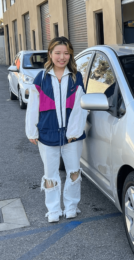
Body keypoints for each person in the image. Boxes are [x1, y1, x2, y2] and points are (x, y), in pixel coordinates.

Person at [26, 36, 88, 222]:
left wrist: (74, 132)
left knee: (74, 172)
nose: (62, 57)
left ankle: (71, 207)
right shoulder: (41, 78)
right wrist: (32, 131)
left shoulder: (76, 77)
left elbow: (80, 108)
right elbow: (33, 106)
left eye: (66, 53)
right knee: (50, 175)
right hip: (47, 133)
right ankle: (53, 210)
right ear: (50, 54)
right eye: (58, 53)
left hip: (72, 136)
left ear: (71, 55)